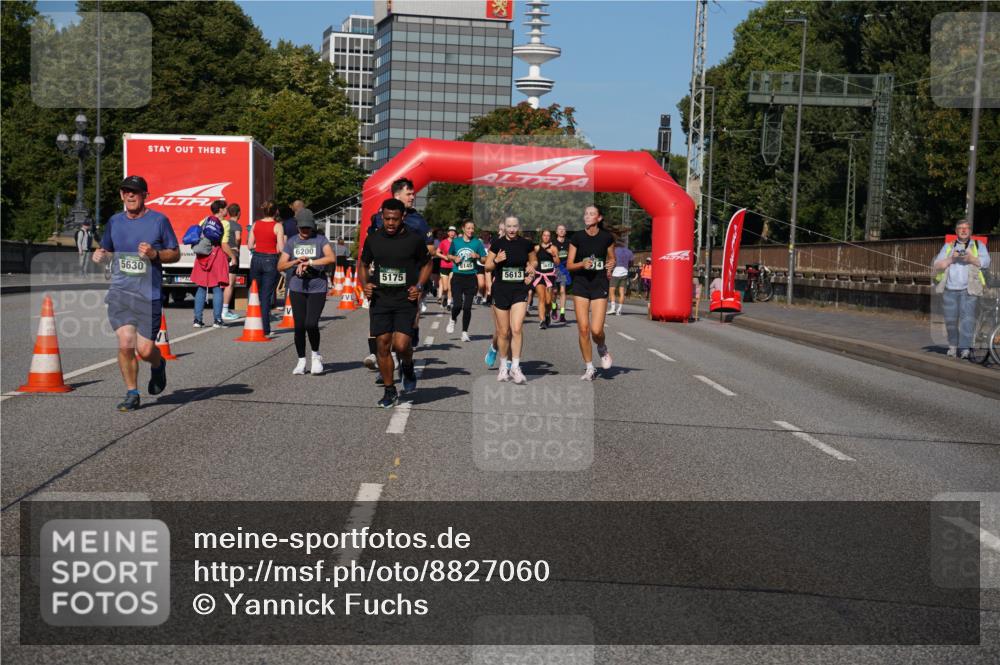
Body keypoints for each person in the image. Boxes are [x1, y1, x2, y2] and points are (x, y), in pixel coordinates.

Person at [91, 176, 179, 411]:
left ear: (144, 196)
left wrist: (155, 255)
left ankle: (158, 365)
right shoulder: (115, 221)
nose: (130, 195)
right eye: (126, 191)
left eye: (135, 192)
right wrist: (99, 256)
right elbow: (108, 251)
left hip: (148, 295)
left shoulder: (159, 221)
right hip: (120, 292)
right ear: (121, 195)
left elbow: (175, 253)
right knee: (126, 343)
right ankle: (132, 392)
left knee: (146, 350)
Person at [359, 198, 433, 408]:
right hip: (381, 299)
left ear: (403, 218)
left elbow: (428, 263)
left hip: (404, 299)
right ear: (382, 216)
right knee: (382, 345)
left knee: (401, 345)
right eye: (387, 219)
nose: (390, 223)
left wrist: (418, 286)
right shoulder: (373, 239)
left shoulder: (414, 240)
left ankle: (407, 366)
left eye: (395, 219)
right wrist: (365, 284)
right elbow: (363, 264)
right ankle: (390, 390)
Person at [363, 178, 435, 371]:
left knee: (405, 329)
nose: (413, 196)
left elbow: (429, 250)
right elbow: (370, 244)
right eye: (409, 193)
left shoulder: (418, 221)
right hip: (383, 280)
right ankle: (380, 356)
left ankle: (405, 348)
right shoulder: (379, 217)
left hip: (411, 279)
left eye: (413, 193)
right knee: (380, 322)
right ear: (397, 195)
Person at [277, 208, 336, 375]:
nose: (305, 231)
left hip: (317, 286)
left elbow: (331, 258)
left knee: (311, 323)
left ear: (312, 227)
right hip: (297, 287)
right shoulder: (292, 242)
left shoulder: (320, 239)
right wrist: (295, 261)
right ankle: (301, 360)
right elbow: (280, 265)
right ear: (297, 227)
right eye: (302, 228)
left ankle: (316, 356)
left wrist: (310, 262)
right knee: (299, 326)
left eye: (308, 228)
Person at [485, 216, 537, 384]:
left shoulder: (526, 244)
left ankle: (515, 367)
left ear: (519, 227)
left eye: (515, 226)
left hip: (519, 290)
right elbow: (487, 266)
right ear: (504, 227)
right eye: (509, 226)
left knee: (516, 328)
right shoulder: (498, 244)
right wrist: (496, 260)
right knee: (503, 331)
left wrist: (532, 268)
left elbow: (534, 260)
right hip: (501, 290)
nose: (512, 229)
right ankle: (503, 366)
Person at [566, 205, 616, 380]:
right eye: (586, 213)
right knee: (583, 329)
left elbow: (612, 257)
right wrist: (582, 264)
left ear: (599, 218)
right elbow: (569, 265)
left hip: (599, 284)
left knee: (596, 330)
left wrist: (611, 264)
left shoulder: (606, 238)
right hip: (581, 285)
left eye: (591, 214)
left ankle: (601, 347)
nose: (587, 216)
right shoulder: (577, 237)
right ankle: (589, 367)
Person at [932, 220, 991, 359]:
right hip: (949, 289)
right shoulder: (948, 246)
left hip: (969, 289)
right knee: (950, 319)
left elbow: (986, 262)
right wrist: (951, 259)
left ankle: (965, 348)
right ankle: (953, 346)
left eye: (966, 228)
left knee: (968, 319)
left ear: (970, 231)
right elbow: (937, 265)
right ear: (956, 231)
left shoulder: (978, 245)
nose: (964, 230)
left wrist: (971, 258)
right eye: (960, 228)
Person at [247, 200, 285, 337]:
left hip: (256, 259)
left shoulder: (256, 224)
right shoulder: (278, 226)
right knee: (265, 296)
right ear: (275, 212)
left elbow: (250, 245)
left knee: (255, 293)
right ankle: (265, 329)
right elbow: (281, 248)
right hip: (270, 259)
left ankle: (252, 323)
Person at [445, 220, 487, 342]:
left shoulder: (477, 243)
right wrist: (454, 258)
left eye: (472, 228)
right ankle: (453, 319)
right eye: (468, 228)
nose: (471, 230)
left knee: (467, 307)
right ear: (463, 229)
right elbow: (448, 255)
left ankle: (464, 332)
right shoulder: (456, 242)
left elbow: (485, 259)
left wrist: (478, 256)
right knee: (457, 305)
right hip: (458, 277)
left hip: (471, 278)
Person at [532, 229, 560, 329]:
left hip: (550, 276)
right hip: (539, 276)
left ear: (550, 237)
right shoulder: (536, 248)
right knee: (541, 299)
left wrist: (553, 255)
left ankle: (547, 314)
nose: (546, 237)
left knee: (548, 301)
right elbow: (532, 261)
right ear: (541, 237)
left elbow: (557, 263)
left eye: (548, 236)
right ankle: (542, 320)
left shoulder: (554, 248)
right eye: (544, 235)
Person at [220, 203, 242, 321]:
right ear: (238, 213)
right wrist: (237, 246)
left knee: (222, 283)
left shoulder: (225, 224)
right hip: (232, 254)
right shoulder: (237, 226)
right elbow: (238, 237)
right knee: (230, 284)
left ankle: (222, 309)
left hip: (223, 254)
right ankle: (225, 310)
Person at [552, 224, 572, 322]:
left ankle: (562, 313)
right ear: (556, 232)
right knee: (555, 291)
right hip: (554, 268)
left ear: (565, 232)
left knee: (563, 290)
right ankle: (554, 306)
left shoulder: (569, 243)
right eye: (559, 229)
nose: (561, 231)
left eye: (563, 230)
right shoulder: (552, 243)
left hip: (563, 269)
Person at [609, 239, 634, 316]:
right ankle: (619, 310)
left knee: (611, 290)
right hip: (625, 271)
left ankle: (613, 308)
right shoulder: (630, 252)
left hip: (617, 270)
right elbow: (631, 263)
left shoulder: (615, 250)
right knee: (622, 291)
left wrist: (609, 270)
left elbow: (612, 261)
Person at [436, 226, 457, 310]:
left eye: (454, 231)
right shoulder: (443, 242)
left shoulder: (457, 242)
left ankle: (449, 303)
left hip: (453, 266)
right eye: (450, 231)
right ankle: (444, 297)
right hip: (444, 266)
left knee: (450, 286)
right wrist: (444, 257)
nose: (452, 233)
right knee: (445, 288)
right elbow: (437, 252)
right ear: (448, 233)